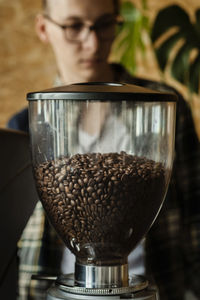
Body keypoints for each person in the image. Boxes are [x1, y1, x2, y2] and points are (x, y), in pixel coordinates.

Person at [7, 0, 200, 299]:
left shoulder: (162, 107)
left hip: (158, 284)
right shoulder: (24, 126)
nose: (93, 42)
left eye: (104, 24)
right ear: (44, 29)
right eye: (74, 26)